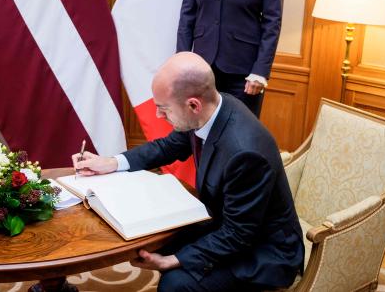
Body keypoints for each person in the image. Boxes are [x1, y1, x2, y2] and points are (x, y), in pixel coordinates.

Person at [73, 52, 304, 292]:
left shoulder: (245, 154)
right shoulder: (211, 107)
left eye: (163, 109)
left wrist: (174, 260)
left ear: (193, 104)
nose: (158, 115)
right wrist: (110, 162)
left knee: (175, 284)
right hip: (226, 221)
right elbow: (167, 146)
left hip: (263, 252)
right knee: (152, 233)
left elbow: (239, 234)